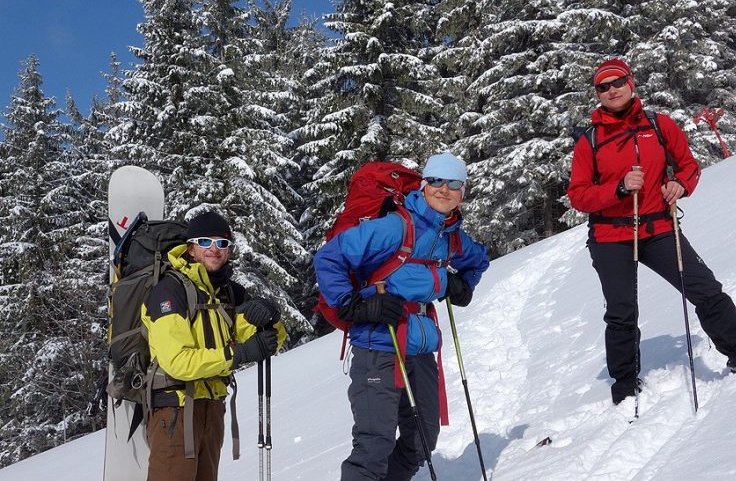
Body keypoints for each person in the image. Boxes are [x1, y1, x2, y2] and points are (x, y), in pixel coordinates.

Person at [567, 58, 736, 405]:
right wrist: (619, 189)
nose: (612, 90)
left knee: (705, 289)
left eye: (618, 82)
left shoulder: (658, 125)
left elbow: (688, 166)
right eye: (603, 86)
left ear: (631, 83)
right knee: (622, 311)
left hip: (658, 227)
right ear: (597, 94)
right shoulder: (591, 140)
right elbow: (578, 195)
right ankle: (625, 385)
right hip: (610, 238)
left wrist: (680, 185)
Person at [314, 152, 490, 481]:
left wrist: (462, 285)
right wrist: (352, 305)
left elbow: (478, 258)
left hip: (420, 348)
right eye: (436, 181)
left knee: (421, 442)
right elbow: (329, 256)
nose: (444, 189)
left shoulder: (451, 237)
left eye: (454, 183)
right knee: (373, 448)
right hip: (379, 344)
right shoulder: (396, 227)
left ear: (462, 193)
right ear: (423, 186)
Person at [142, 210, 286, 481]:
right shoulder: (169, 292)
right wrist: (239, 354)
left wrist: (272, 317)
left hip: (212, 409)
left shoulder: (230, 293)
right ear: (191, 248)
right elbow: (177, 362)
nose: (214, 250)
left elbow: (272, 341)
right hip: (175, 411)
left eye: (222, 243)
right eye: (205, 242)